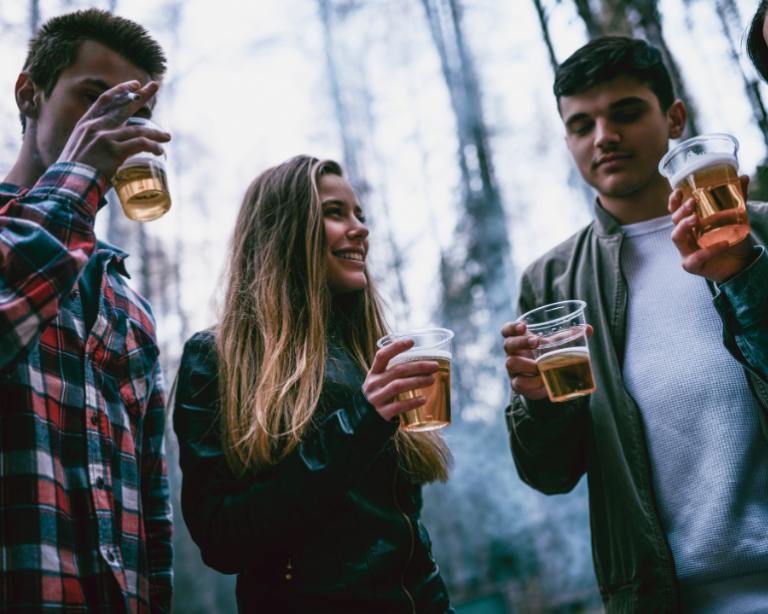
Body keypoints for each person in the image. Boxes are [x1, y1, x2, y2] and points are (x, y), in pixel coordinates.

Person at [502, 37, 768, 612]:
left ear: (674, 118)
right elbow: (550, 473)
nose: (604, 137)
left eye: (625, 112)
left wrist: (749, 277)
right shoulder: (551, 285)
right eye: (581, 125)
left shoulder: (760, 236)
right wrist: (542, 405)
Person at [173, 155, 455, 614]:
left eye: (360, 215)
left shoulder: (370, 355)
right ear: (283, 232)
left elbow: (405, 538)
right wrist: (361, 422)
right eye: (335, 212)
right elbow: (223, 539)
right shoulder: (217, 359)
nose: (360, 228)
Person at [0, 9, 173, 613]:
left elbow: (152, 510)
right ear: (29, 92)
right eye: (94, 99)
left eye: (136, 115)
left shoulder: (131, 307)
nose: (118, 125)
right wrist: (77, 175)